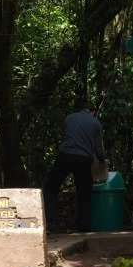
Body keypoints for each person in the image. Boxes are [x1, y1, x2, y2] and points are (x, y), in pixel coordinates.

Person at [43, 100, 108, 233]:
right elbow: (98, 149)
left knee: (51, 187)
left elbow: (69, 136)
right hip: (83, 159)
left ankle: (47, 221)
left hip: (64, 156)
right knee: (84, 193)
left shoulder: (69, 118)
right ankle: (84, 227)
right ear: (92, 112)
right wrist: (102, 162)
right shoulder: (95, 123)